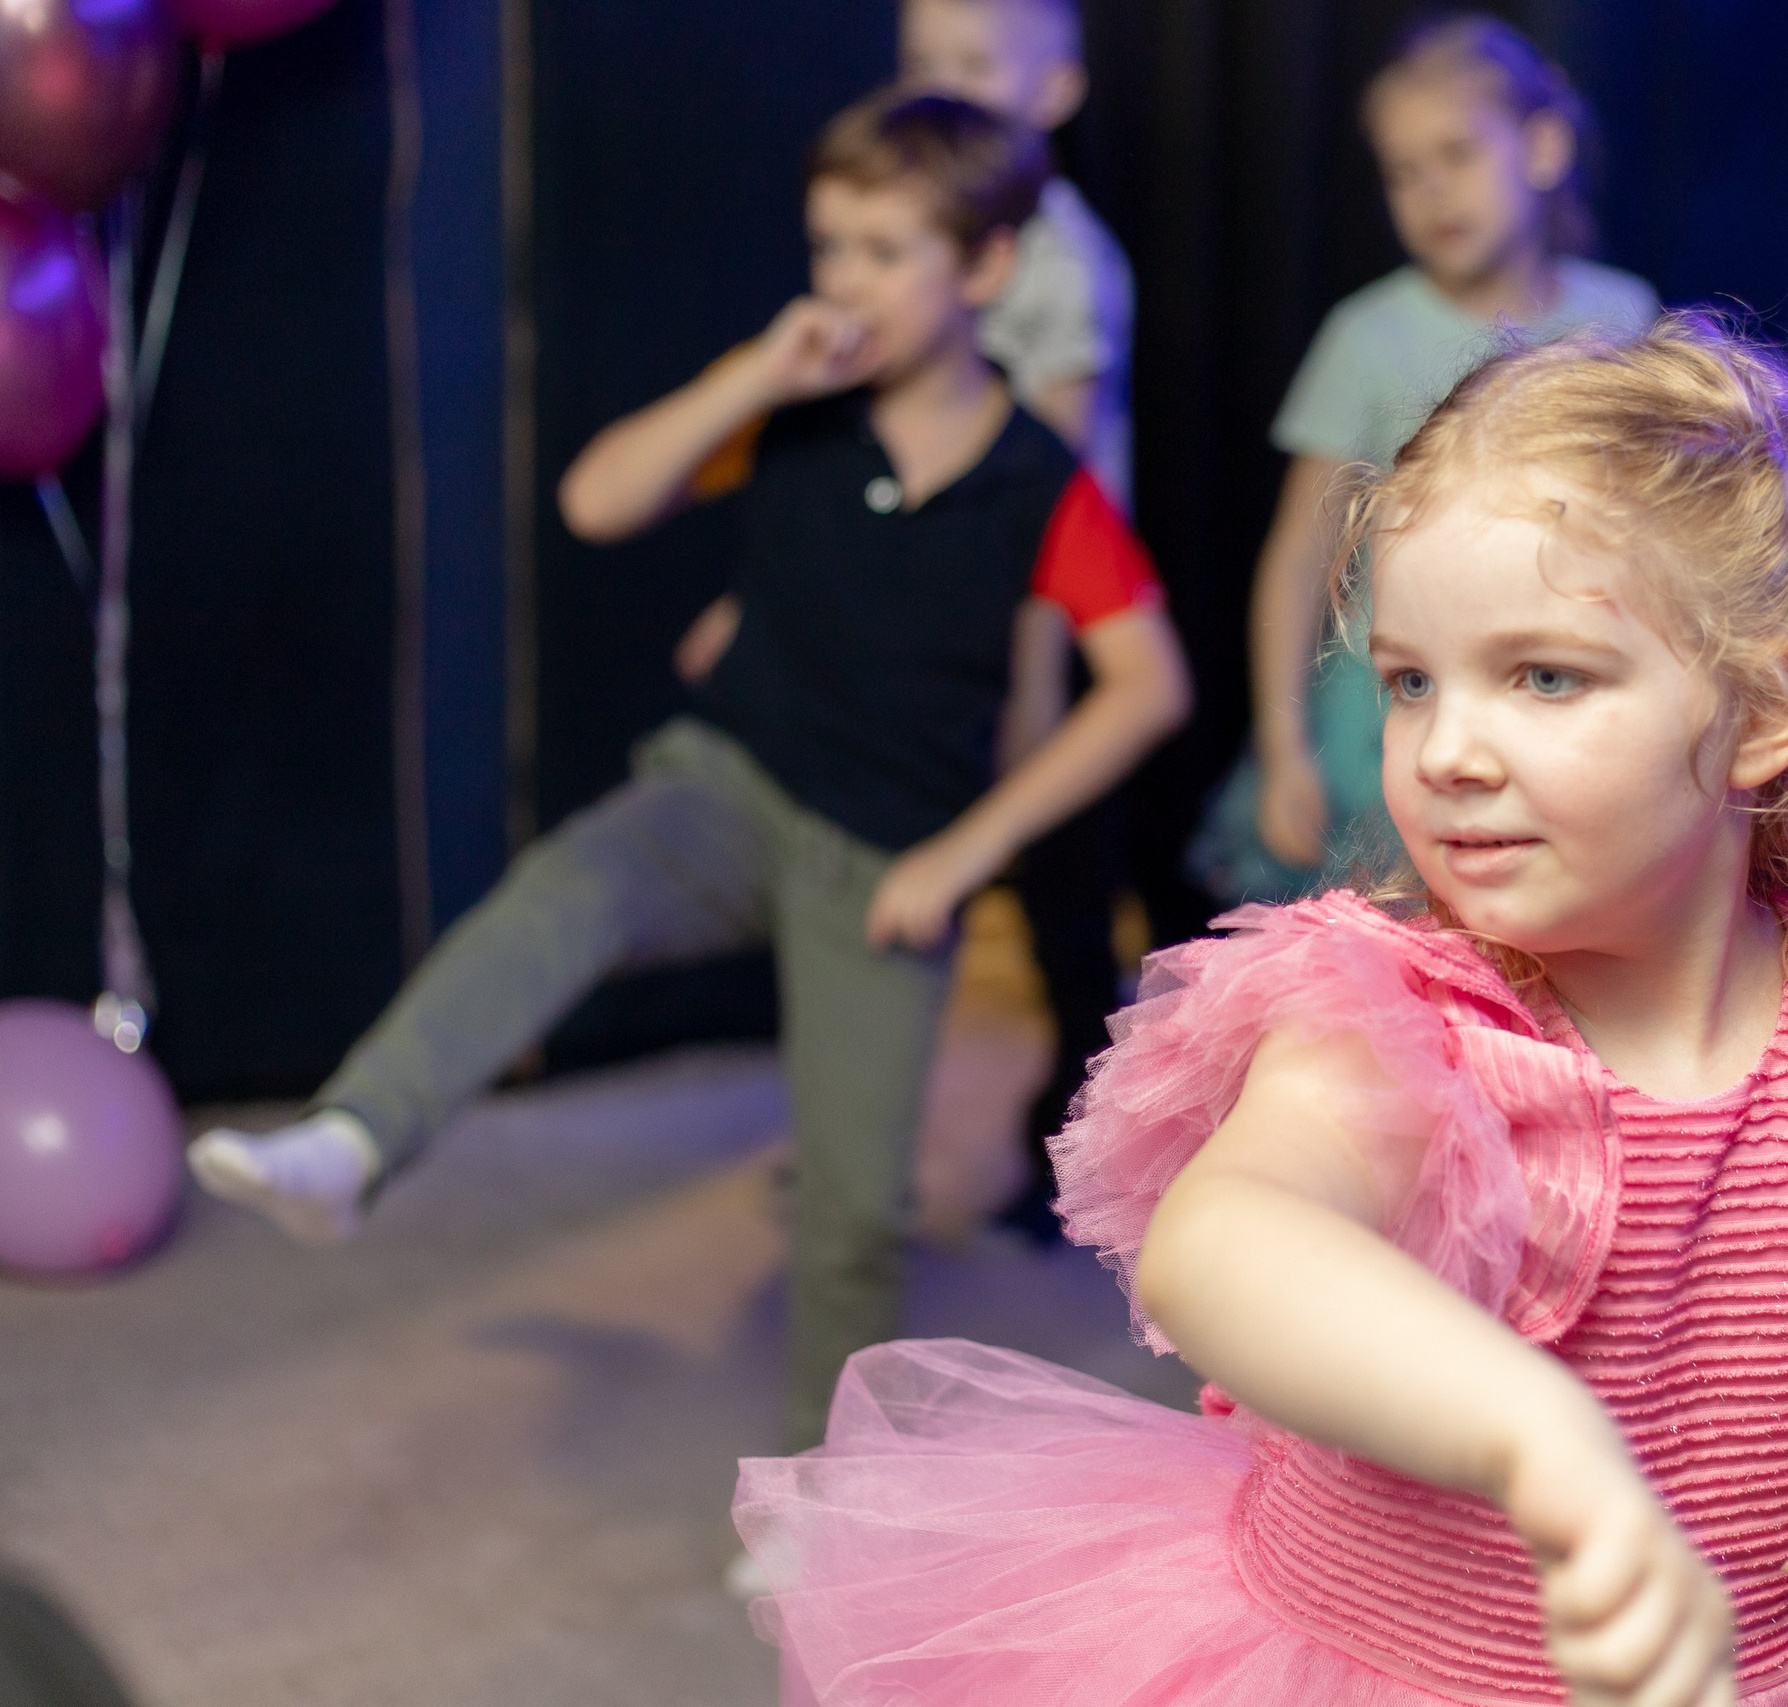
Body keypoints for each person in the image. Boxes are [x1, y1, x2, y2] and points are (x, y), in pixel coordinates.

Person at [731, 317, 1788, 1707]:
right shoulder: (1394, 1011)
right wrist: (1533, 1434)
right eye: (1411, 681)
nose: (1447, 748)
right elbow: (1222, 1243)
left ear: (1766, 715)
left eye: (1542, 677)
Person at [186, 93, 1192, 1459]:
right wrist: (757, 377)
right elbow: (599, 500)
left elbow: (1151, 685)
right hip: (726, 784)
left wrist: (965, 855)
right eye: (830, 246)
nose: (847, 282)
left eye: (887, 251)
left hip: (887, 858)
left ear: (984, 271)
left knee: (853, 1205)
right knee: (564, 887)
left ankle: (815, 1483)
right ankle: (357, 1136)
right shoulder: (790, 405)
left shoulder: (1042, 483)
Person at [676, 0, 1142, 1233]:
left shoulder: (1059, 266)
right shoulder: (913, 246)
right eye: (927, 63)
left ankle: (1080, 1149)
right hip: (936, 622)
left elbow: (1038, 494)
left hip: (1046, 629)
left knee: (1058, 905)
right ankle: (851, 1138)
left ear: (1055, 91)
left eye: (980, 65)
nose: (951, 85)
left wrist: (1033, 691)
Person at [1192, 13, 1658, 904]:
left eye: (1457, 155)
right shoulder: (1367, 336)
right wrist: (1286, 747)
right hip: (1382, 727)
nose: (1432, 193)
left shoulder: (1621, 317)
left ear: (1544, 147)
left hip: (1552, 693)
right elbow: (1299, 557)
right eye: (1404, 173)